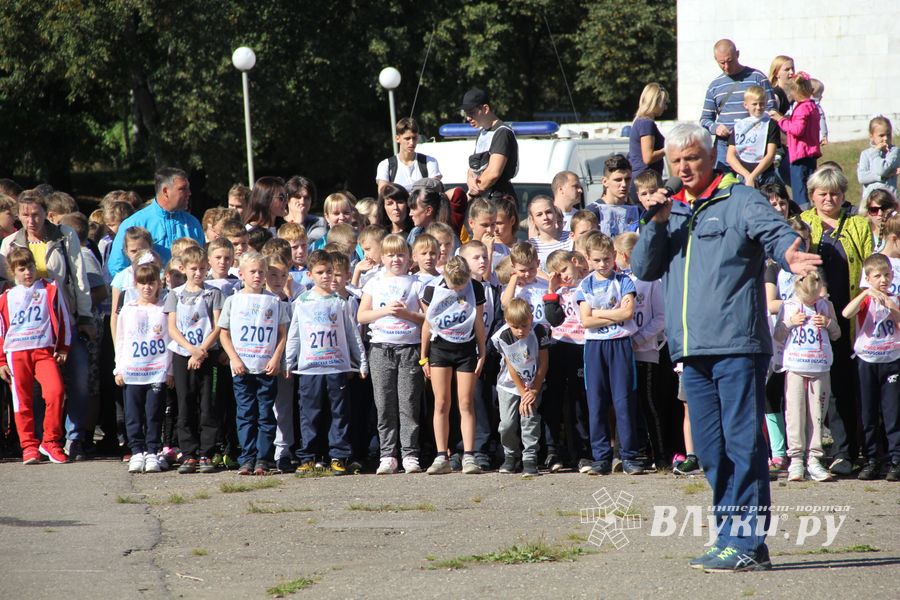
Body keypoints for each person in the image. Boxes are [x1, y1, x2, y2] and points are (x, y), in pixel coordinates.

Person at [631, 122, 821, 572]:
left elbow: (775, 232)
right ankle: (730, 537)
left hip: (737, 345)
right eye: (676, 161)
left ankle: (748, 542)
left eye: (692, 158)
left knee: (742, 446)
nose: (683, 168)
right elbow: (643, 268)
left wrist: (789, 253)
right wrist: (657, 222)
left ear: (711, 156)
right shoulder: (672, 210)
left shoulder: (739, 200)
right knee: (712, 451)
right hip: (691, 351)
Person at [0, 190, 96, 460]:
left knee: (77, 378)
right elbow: (5, 287)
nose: (31, 220)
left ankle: (73, 438)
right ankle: (36, 442)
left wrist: (85, 316)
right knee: (30, 390)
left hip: (63, 319)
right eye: (25, 215)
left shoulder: (65, 236)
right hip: (26, 331)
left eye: (36, 214)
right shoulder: (9, 243)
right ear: (19, 216)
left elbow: (79, 278)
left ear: (46, 213)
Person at [800, 167, 872, 475]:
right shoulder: (802, 222)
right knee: (817, 386)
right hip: (813, 320)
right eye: (823, 193)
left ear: (843, 195)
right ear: (812, 195)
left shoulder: (858, 224)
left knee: (846, 383)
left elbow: (870, 267)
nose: (829, 198)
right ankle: (813, 451)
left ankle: (848, 451)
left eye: (835, 193)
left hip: (850, 317)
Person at [286, 250, 367, 475]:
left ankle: (339, 455)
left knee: (339, 413)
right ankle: (309, 456)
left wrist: (361, 361)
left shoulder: (340, 302)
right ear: (310, 274)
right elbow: (294, 334)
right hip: (310, 369)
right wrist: (288, 362)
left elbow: (352, 333)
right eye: (320, 272)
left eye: (329, 271)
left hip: (336, 367)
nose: (325, 276)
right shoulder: (302, 302)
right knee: (309, 413)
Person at [357, 235, 425, 474]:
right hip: (380, 349)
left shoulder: (416, 283)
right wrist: (385, 311)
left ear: (409, 257)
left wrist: (407, 314)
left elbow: (427, 318)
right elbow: (362, 316)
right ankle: (387, 454)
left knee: (409, 403)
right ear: (383, 257)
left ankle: (410, 453)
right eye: (390, 255)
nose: (396, 259)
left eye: (400, 255)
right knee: (384, 404)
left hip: (409, 348)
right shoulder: (374, 282)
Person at [575, 233, 642, 476]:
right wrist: (613, 313)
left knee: (623, 401)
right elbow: (585, 320)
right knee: (597, 402)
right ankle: (601, 457)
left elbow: (627, 314)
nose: (603, 264)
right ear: (588, 259)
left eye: (606, 259)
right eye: (597, 260)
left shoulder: (624, 281)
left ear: (614, 256)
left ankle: (628, 456)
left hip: (620, 343)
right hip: (595, 346)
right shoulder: (585, 285)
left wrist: (598, 313)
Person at [218, 251, 290, 476]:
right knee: (246, 414)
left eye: (261, 271)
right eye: (252, 272)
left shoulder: (274, 301)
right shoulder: (233, 300)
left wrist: (276, 358)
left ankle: (263, 459)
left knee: (266, 414)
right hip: (242, 368)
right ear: (241, 274)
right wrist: (234, 358)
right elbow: (224, 334)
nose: (257, 275)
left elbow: (282, 334)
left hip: (266, 367)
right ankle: (247, 458)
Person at [0, 247, 71, 465]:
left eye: (30, 267)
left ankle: (51, 441)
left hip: (43, 351)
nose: (27, 273)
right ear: (13, 272)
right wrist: (1, 360)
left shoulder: (49, 288)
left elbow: (63, 317)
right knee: (22, 401)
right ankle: (29, 446)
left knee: (56, 392)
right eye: (21, 269)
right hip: (16, 353)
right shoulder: (6, 297)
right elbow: (1, 330)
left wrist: (63, 347)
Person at [420, 256, 486, 475]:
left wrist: (482, 352)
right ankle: (441, 456)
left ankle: (469, 455)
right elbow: (427, 324)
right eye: (453, 286)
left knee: (466, 402)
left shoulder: (475, 288)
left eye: (461, 286)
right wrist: (423, 357)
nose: (457, 289)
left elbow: (478, 321)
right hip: (440, 348)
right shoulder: (432, 289)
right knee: (441, 402)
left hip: (466, 348)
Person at [773, 270, 840, 482]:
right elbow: (777, 335)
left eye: (815, 296)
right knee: (794, 413)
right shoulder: (788, 306)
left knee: (817, 414)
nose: (812, 301)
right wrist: (790, 322)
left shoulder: (826, 305)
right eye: (808, 298)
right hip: (795, 367)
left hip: (820, 368)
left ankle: (814, 459)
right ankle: (796, 460)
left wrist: (828, 323)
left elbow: (837, 333)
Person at [164, 246, 224, 474]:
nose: (198, 273)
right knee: (185, 402)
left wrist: (201, 351)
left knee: (208, 403)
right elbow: (172, 328)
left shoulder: (214, 293)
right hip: (183, 354)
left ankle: (207, 452)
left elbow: (218, 325)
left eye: (202, 269)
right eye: (193, 269)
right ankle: (188, 453)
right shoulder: (175, 294)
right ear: (183, 268)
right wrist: (191, 350)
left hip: (208, 354)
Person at [842, 253, 900, 482]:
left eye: (886, 275)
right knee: (868, 414)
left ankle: (895, 460)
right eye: (877, 276)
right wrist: (865, 293)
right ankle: (871, 460)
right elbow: (846, 313)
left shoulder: (895, 298)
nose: (883, 280)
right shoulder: (865, 299)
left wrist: (891, 306)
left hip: (891, 361)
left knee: (893, 413)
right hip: (866, 361)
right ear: (868, 278)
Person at [114, 262, 173, 474]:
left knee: (154, 413)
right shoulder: (128, 310)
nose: (147, 287)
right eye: (142, 283)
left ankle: (152, 451)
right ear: (135, 284)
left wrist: (170, 371)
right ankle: (137, 451)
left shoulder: (164, 309)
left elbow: (169, 340)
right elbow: (121, 339)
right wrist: (118, 368)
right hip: (132, 372)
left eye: (151, 283)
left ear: (159, 284)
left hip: (156, 371)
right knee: (133, 415)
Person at [106, 167, 204, 277]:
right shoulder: (134, 223)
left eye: (188, 188)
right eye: (183, 189)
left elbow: (202, 262)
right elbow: (117, 268)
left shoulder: (193, 224)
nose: (189, 193)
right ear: (166, 191)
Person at [492, 298, 550, 477]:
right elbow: (510, 365)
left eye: (524, 326)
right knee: (507, 424)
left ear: (531, 319)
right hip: (509, 384)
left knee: (529, 419)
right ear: (507, 322)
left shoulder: (539, 331)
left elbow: (544, 362)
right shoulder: (504, 336)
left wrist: (534, 390)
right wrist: (523, 392)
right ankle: (511, 455)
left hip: (533, 383)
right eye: (515, 327)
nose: (520, 331)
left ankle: (530, 458)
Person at [700, 40, 775, 171]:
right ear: (715, 59)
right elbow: (705, 119)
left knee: (753, 180)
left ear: (737, 54)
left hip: (754, 143)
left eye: (730, 61)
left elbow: (772, 109)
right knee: (725, 181)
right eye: (722, 63)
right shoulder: (714, 86)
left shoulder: (757, 77)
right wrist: (716, 128)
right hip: (725, 144)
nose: (726, 66)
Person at [768, 72, 821, 207]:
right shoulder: (812, 106)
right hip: (810, 154)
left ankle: (802, 213)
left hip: (800, 156)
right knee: (810, 188)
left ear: (794, 91)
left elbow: (797, 130)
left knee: (800, 191)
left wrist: (780, 119)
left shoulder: (802, 108)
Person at [462, 88, 519, 201]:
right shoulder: (481, 133)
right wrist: (469, 180)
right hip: (483, 199)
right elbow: (474, 168)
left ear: (485, 109)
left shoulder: (502, 132)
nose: (468, 118)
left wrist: (469, 196)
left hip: (499, 200)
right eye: (466, 113)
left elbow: (493, 173)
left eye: (472, 113)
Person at [726, 86, 780, 188]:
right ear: (746, 105)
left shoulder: (771, 124)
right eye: (754, 104)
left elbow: (770, 155)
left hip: (765, 175)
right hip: (743, 175)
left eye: (762, 103)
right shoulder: (739, 126)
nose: (758, 107)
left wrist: (753, 176)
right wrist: (747, 176)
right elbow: (730, 157)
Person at [375, 118, 441, 193]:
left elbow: (434, 192)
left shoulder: (430, 162)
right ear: (397, 139)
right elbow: (383, 195)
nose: (411, 142)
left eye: (414, 138)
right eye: (407, 138)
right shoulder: (385, 165)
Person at [585, 155, 640, 238]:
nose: (624, 184)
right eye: (618, 180)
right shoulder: (593, 212)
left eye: (627, 179)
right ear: (605, 181)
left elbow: (644, 227)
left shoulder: (637, 211)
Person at [628, 83, 669, 180]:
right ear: (655, 102)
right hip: (646, 179)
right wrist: (669, 148)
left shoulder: (641, 121)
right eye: (664, 102)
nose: (665, 107)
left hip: (643, 177)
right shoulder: (646, 123)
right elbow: (648, 158)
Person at [857, 116, 900, 204]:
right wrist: (882, 177)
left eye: (888, 134)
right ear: (871, 136)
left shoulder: (894, 151)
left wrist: (876, 153)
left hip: (889, 201)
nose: (886, 138)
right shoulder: (866, 154)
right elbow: (862, 177)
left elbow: (882, 170)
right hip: (870, 201)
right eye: (881, 135)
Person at [284, 176, 327, 243]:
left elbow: (311, 246)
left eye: (307, 198)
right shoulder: (277, 221)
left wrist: (299, 223)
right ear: (287, 198)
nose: (302, 202)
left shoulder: (319, 222)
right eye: (297, 197)